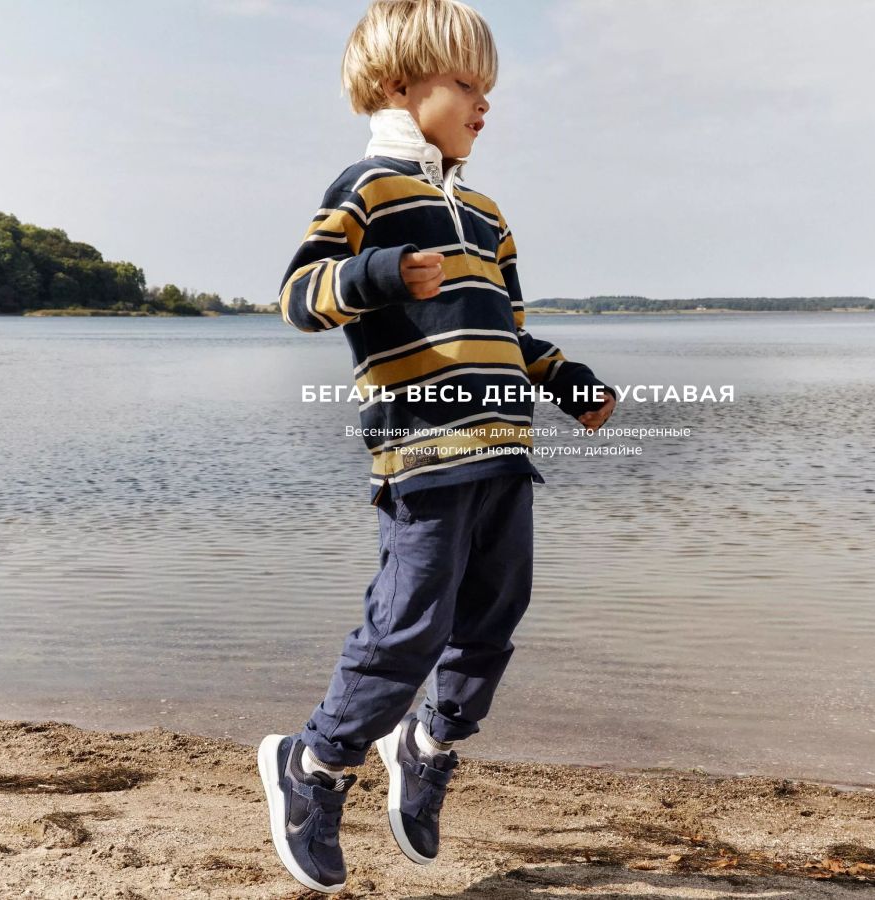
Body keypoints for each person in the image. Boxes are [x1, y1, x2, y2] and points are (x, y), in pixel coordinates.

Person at [256, 0, 616, 892]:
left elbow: (509, 333)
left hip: (504, 453)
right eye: (466, 83)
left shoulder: (487, 216)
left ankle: (428, 744)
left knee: (494, 617)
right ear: (397, 86)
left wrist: (568, 381)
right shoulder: (367, 190)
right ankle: (315, 762)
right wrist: (379, 272)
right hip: (421, 455)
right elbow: (300, 295)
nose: (484, 104)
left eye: (488, 88)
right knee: (410, 623)